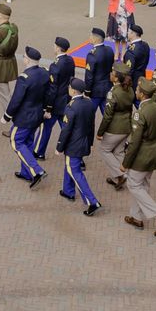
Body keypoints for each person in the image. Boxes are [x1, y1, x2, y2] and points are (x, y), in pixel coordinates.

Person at [120, 77, 156, 236]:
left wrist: (125, 163)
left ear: (141, 94)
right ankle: (136, 217)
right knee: (144, 185)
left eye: (137, 90)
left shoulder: (140, 113)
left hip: (142, 155)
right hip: (155, 151)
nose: (135, 91)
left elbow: (135, 141)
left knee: (133, 185)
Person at [55, 78, 102, 215]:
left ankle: (92, 202)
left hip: (73, 145)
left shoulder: (71, 107)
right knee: (69, 166)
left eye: (70, 87)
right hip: (84, 142)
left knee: (75, 172)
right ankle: (68, 191)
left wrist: (59, 147)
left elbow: (66, 130)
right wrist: (90, 142)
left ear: (74, 91)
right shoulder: (89, 103)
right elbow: (91, 125)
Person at [6, 47, 51, 187]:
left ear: (28, 60)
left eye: (24, 57)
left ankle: (36, 171)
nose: (23, 59)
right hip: (37, 115)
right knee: (28, 142)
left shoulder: (24, 78)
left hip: (24, 117)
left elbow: (16, 99)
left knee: (16, 141)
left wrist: (7, 115)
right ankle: (26, 173)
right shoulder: (44, 72)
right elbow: (48, 93)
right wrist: (45, 109)